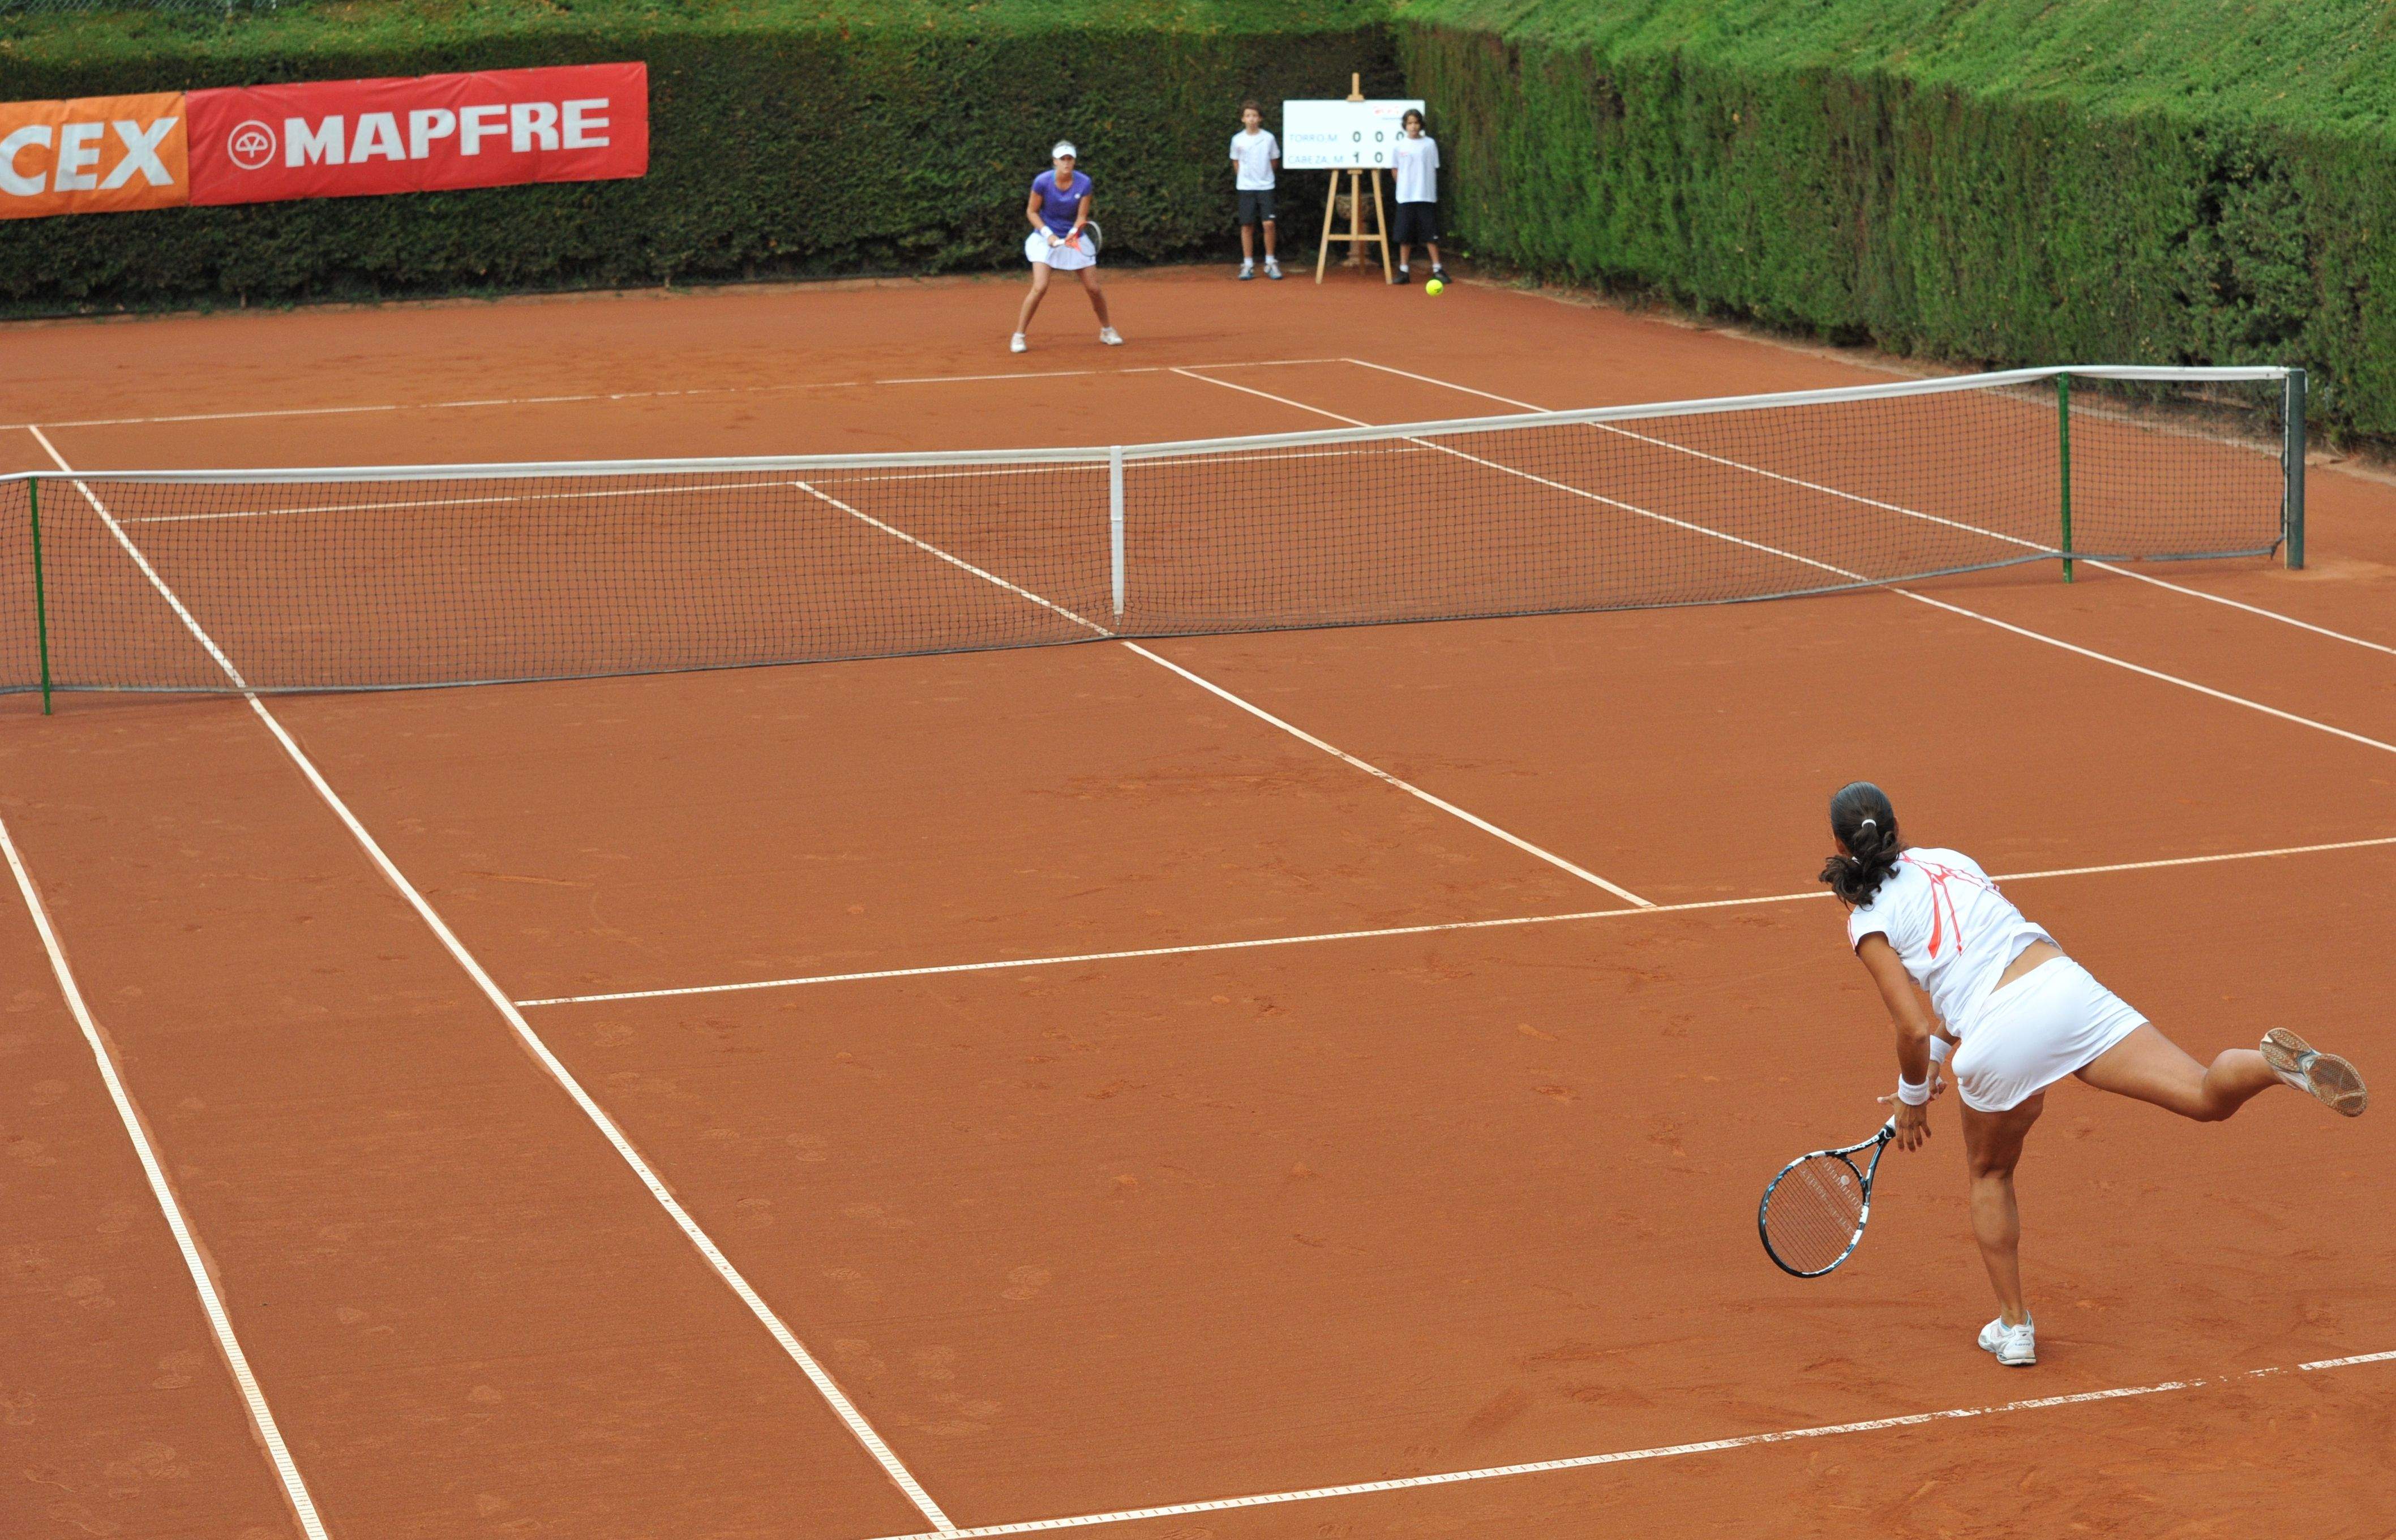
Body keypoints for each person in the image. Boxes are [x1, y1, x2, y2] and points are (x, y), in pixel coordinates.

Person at [1821, 780, 2366, 1369]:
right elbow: (1972, 966)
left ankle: (2015, 1326)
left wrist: (1911, 1096)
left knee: (1991, 1172)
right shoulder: (1953, 862)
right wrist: (1933, 1062)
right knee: (2205, 1093)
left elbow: (1911, 1024)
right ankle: (2276, 1066)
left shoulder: (1867, 919)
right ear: (1897, 824)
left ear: (1839, 843)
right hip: (2065, 991)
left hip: (1999, 1036)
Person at [1013, 141, 1121, 354]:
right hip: (1044, 237)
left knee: (1093, 288)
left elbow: (1082, 216)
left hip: (1074, 236)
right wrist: (1049, 235)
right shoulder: (1042, 182)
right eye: (1062, 159)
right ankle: (1019, 335)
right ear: (1055, 161)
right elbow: (1032, 212)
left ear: (1074, 161)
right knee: (1040, 287)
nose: (1066, 163)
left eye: (1070, 158)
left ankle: (1106, 330)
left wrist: (1073, 234)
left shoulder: (1084, 183)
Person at [1390, 109, 1446, 286]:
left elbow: (1434, 167)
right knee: (1405, 236)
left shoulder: (1430, 144)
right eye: (1410, 123)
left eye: (1416, 123)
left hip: (1426, 196)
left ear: (1421, 125)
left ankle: (1438, 269)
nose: (1413, 126)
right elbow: (1395, 169)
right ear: (1405, 126)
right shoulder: (1399, 147)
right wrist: (1404, 186)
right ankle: (1404, 271)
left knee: (1431, 235)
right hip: (1405, 198)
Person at [1229, 101, 1283, 280]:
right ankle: (1248, 265)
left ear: (1260, 118)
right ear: (1243, 119)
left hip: (1266, 187)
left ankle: (1270, 262)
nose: (1251, 119)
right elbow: (1236, 162)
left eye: (1254, 115)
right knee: (1247, 225)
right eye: (1248, 116)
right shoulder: (1237, 140)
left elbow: (1274, 160)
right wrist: (1244, 179)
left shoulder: (1268, 138)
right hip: (1246, 188)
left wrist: (1265, 177)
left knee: (1269, 224)